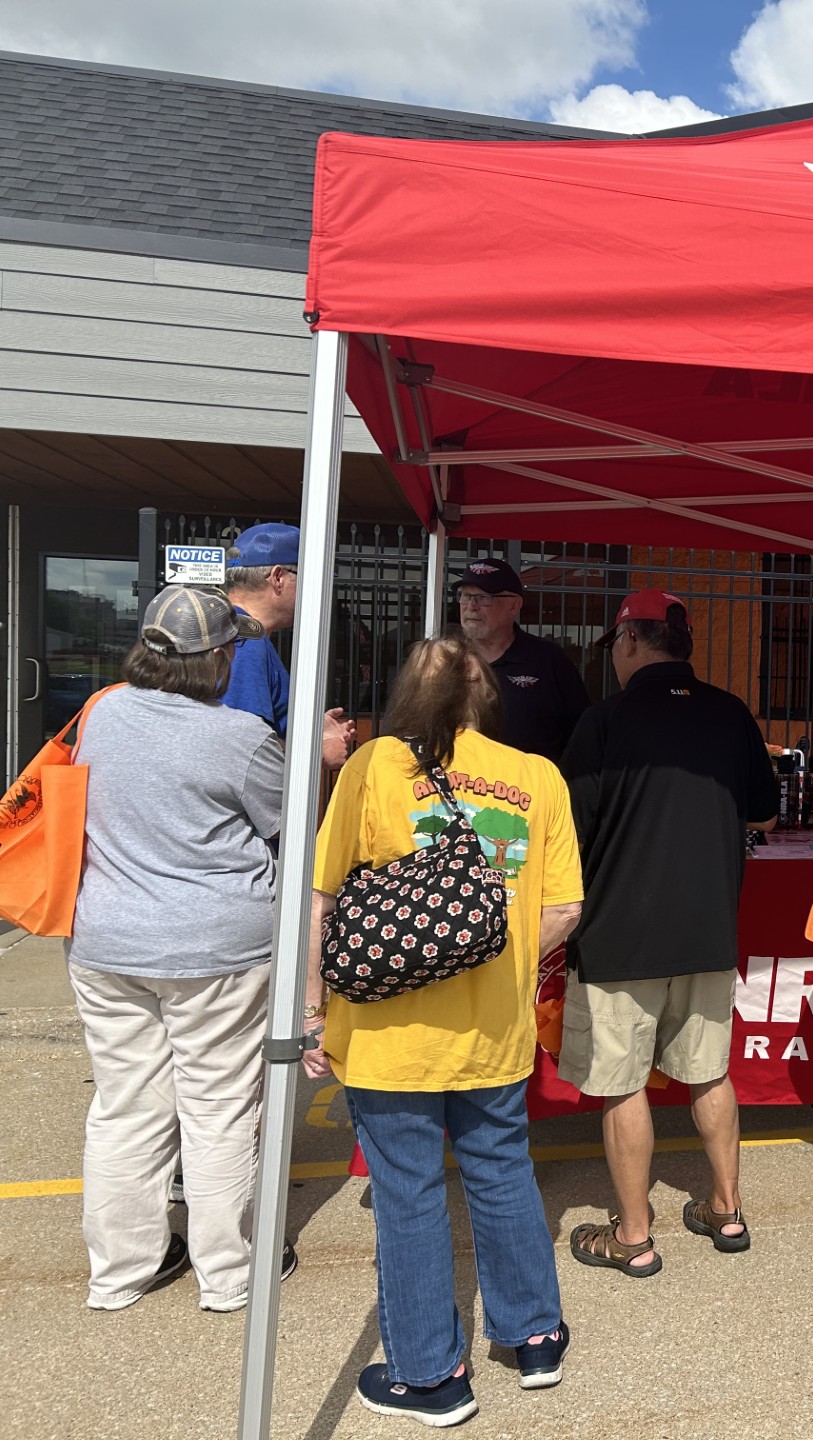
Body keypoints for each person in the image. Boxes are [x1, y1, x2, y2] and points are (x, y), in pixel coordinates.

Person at [305, 633, 583, 1426]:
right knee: (501, 1171)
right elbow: (564, 906)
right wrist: (495, 950)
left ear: (403, 697)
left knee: (409, 1193)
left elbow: (325, 900)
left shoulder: (371, 768)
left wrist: (313, 1007)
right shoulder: (538, 776)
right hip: (495, 1026)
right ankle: (534, 1336)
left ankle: (429, 1374)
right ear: (486, 698)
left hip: (387, 1030)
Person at [66, 585, 284, 1312]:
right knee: (218, 1106)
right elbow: (286, 822)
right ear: (217, 657)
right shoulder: (242, 736)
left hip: (106, 940)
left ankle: (121, 1270)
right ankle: (228, 1275)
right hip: (216, 947)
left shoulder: (99, 716)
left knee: (126, 1106)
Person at [559, 591, 777, 1278]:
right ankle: (727, 1208)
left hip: (619, 933)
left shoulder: (604, 720)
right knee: (710, 1071)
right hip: (709, 928)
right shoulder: (730, 712)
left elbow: (568, 828)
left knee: (624, 1085)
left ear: (629, 640)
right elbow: (766, 816)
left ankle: (633, 1235)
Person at [222, 521, 352, 768]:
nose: (318, 593)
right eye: (311, 580)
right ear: (278, 578)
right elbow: (241, 748)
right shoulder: (245, 643)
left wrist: (310, 729)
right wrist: (318, 753)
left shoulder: (235, 631)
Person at [455, 557, 590, 763]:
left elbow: (580, 736)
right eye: (465, 596)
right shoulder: (445, 660)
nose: (471, 606)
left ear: (514, 605)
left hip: (529, 791)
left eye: (484, 597)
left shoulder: (549, 661)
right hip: (456, 792)